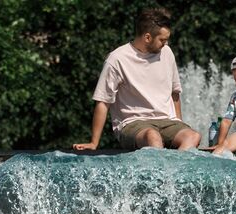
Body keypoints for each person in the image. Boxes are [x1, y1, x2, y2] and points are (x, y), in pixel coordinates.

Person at [73, 8, 201, 151]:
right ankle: (160, 172)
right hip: (133, 123)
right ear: (147, 37)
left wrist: (178, 124)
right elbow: (103, 101)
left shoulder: (167, 53)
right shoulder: (117, 59)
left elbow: (175, 93)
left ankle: (177, 171)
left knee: (193, 136)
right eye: (162, 40)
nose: (165, 44)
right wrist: (94, 142)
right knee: (153, 137)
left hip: (167, 121)